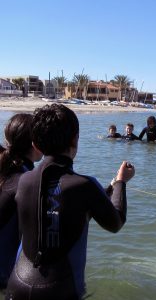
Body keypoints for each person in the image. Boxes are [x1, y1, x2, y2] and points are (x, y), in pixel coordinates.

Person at [6, 104, 135, 300]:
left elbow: (59, 204)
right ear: (75, 138)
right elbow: (115, 222)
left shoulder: (23, 180)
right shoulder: (85, 185)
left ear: (36, 145)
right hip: (61, 290)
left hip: (17, 286)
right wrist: (120, 183)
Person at [0, 114, 42, 289]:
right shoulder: (27, 181)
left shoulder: (7, 170)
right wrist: (117, 185)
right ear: (35, 143)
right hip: (5, 275)